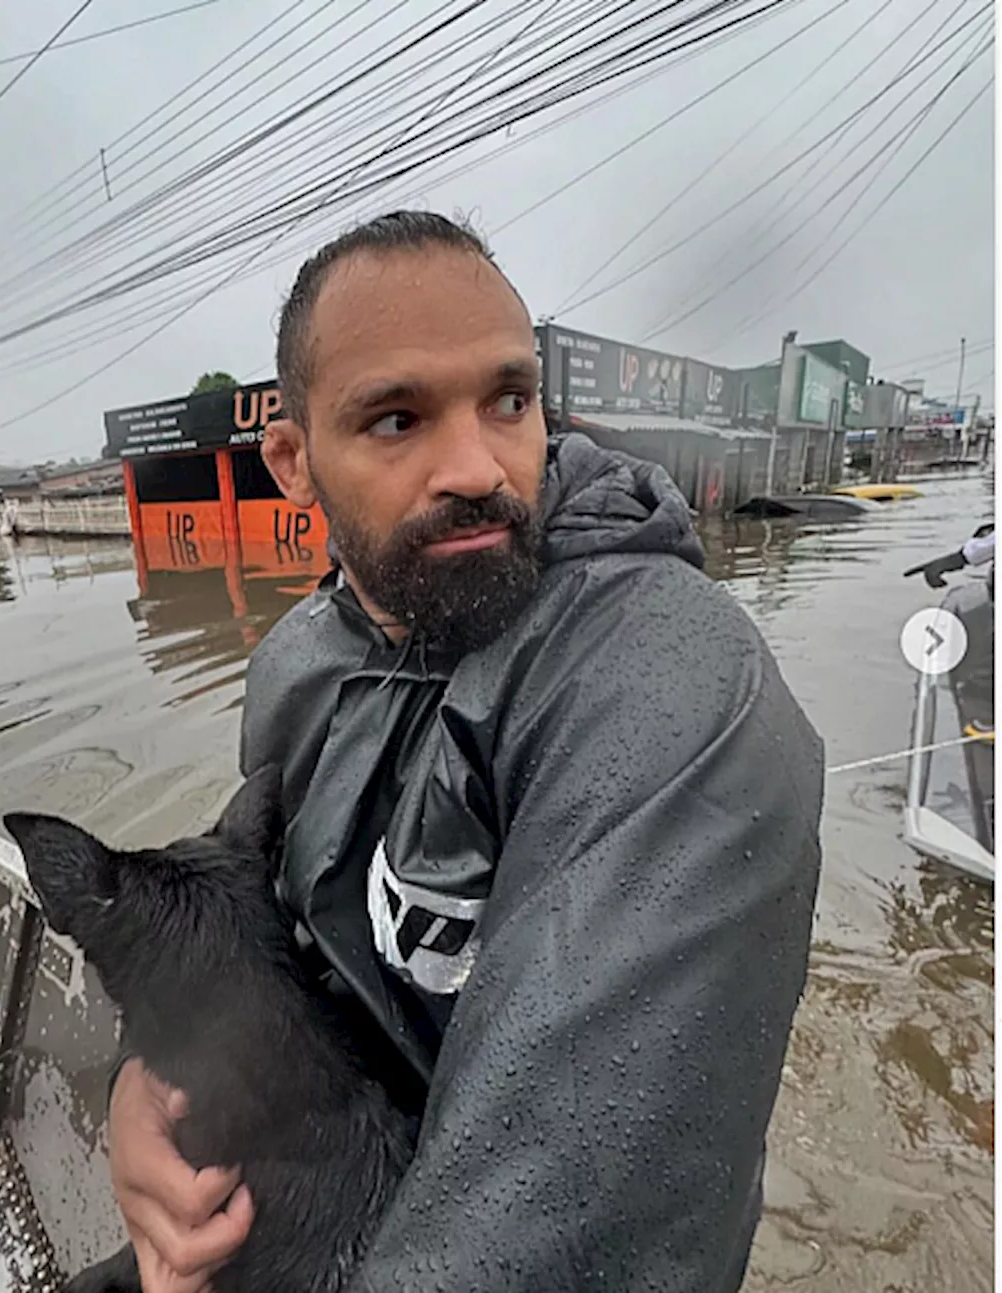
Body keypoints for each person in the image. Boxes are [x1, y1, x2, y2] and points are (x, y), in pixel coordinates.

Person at [106, 211, 825, 1292]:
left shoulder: (658, 684)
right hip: (337, 1191)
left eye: (507, 400)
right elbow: (263, 941)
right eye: (396, 420)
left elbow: (564, 1219)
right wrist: (148, 1085)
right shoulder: (298, 662)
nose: (475, 466)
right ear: (292, 464)